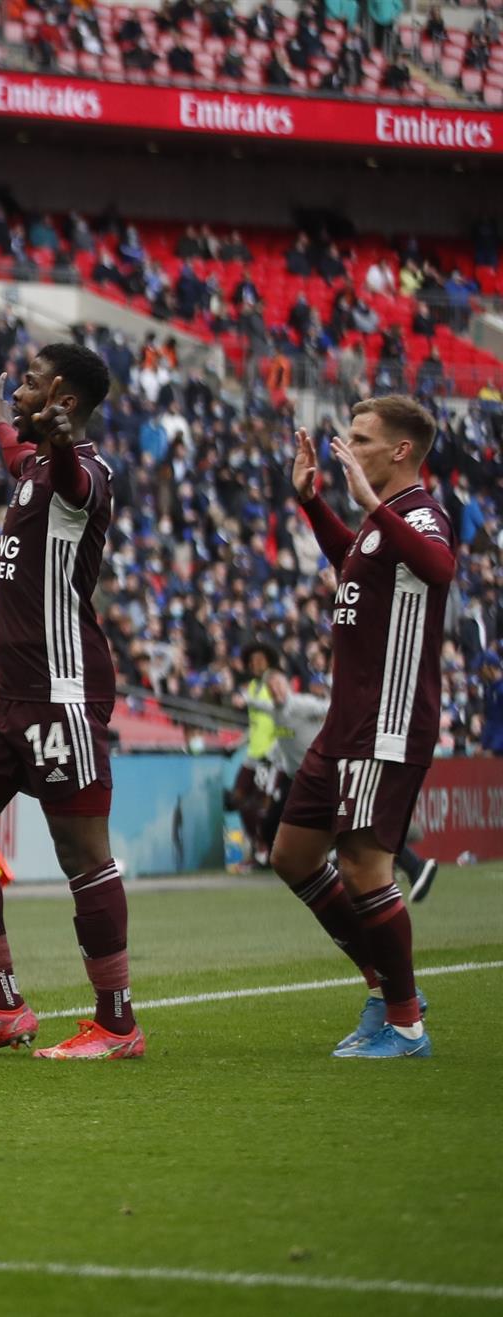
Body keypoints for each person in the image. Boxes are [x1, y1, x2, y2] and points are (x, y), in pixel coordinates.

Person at [0, 344, 143, 1060]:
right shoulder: (32, 469)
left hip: (61, 693)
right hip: (4, 695)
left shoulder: (89, 475)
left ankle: (117, 1023)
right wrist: (0, 427)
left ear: (65, 400)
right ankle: (3, 1005)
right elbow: (26, 461)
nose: (16, 387)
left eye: (29, 380)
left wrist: (51, 440)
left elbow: (72, 479)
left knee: (83, 855)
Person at [270, 398, 453, 1059]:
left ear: (400, 450)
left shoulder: (422, 513)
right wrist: (314, 503)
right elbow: (354, 564)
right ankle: (383, 982)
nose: (349, 444)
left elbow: (439, 568)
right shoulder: (385, 525)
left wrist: (368, 500)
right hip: (346, 725)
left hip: (388, 722)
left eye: (362, 437)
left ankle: (406, 1024)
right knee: (292, 854)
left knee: (364, 865)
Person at [262, 669, 439, 903]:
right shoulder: (276, 713)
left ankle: (410, 865)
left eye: (278, 685)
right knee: (348, 827)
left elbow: (330, 709)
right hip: (309, 779)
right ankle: (407, 866)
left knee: (352, 826)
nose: (276, 690)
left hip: (328, 776)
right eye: (271, 687)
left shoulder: (301, 704)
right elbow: (285, 742)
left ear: (287, 685)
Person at [227, 642, 287, 869]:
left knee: (265, 804)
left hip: (271, 756)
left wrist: (274, 750)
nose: (255, 664)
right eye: (252, 661)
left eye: (260, 660)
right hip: (253, 755)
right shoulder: (252, 687)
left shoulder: (275, 685)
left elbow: (281, 719)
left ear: (269, 662)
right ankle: (260, 847)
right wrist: (237, 743)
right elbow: (255, 725)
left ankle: (270, 851)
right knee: (237, 799)